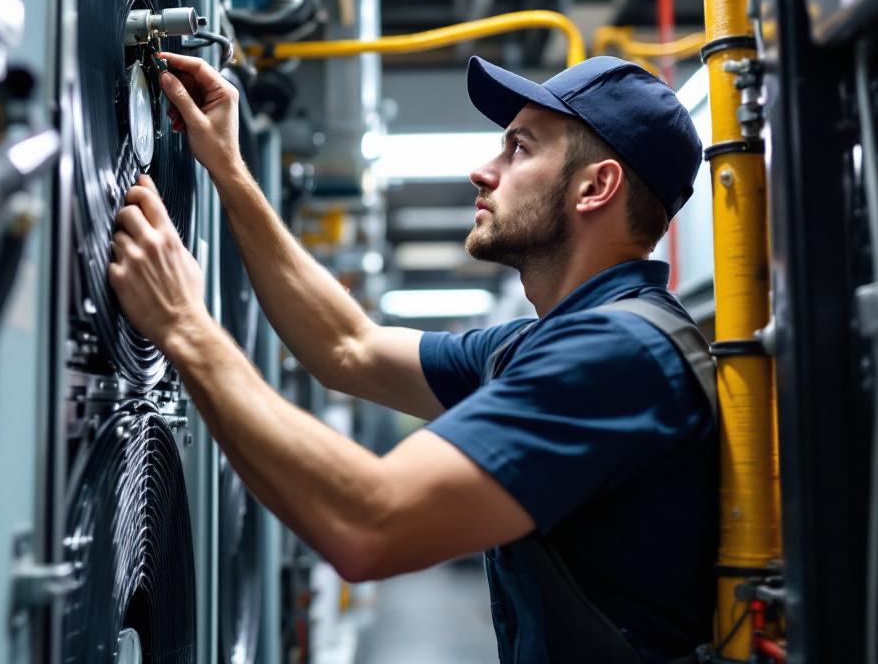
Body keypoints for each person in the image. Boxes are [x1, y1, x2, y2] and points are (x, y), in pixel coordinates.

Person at [108, 52, 717, 664]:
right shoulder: (540, 344)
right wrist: (228, 167)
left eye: (519, 149)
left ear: (596, 187)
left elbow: (370, 523)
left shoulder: (617, 356)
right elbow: (349, 346)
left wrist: (187, 327)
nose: (484, 171)